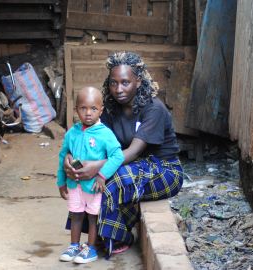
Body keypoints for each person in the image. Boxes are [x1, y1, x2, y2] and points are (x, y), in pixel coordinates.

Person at [63, 52, 183, 258]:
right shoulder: (109, 109)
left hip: (164, 171)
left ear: (138, 81)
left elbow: (134, 152)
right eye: (113, 83)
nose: (118, 89)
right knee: (91, 181)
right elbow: (93, 143)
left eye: (125, 82)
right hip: (132, 165)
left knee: (114, 179)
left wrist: (97, 166)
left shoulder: (153, 109)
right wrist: (71, 160)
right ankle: (96, 236)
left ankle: (117, 237)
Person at [57, 87, 124, 264]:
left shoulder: (105, 134)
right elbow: (64, 156)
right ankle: (74, 246)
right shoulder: (72, 132)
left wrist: (102, 175)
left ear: (101, 110)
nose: (88, 113)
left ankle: (91, 249)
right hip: (74, 185)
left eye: (93, 108)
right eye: (83, 108)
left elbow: (118, 156)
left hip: (94, 186)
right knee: (76, 214)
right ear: (77, 108)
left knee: (93, 217)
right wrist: (61, 182)